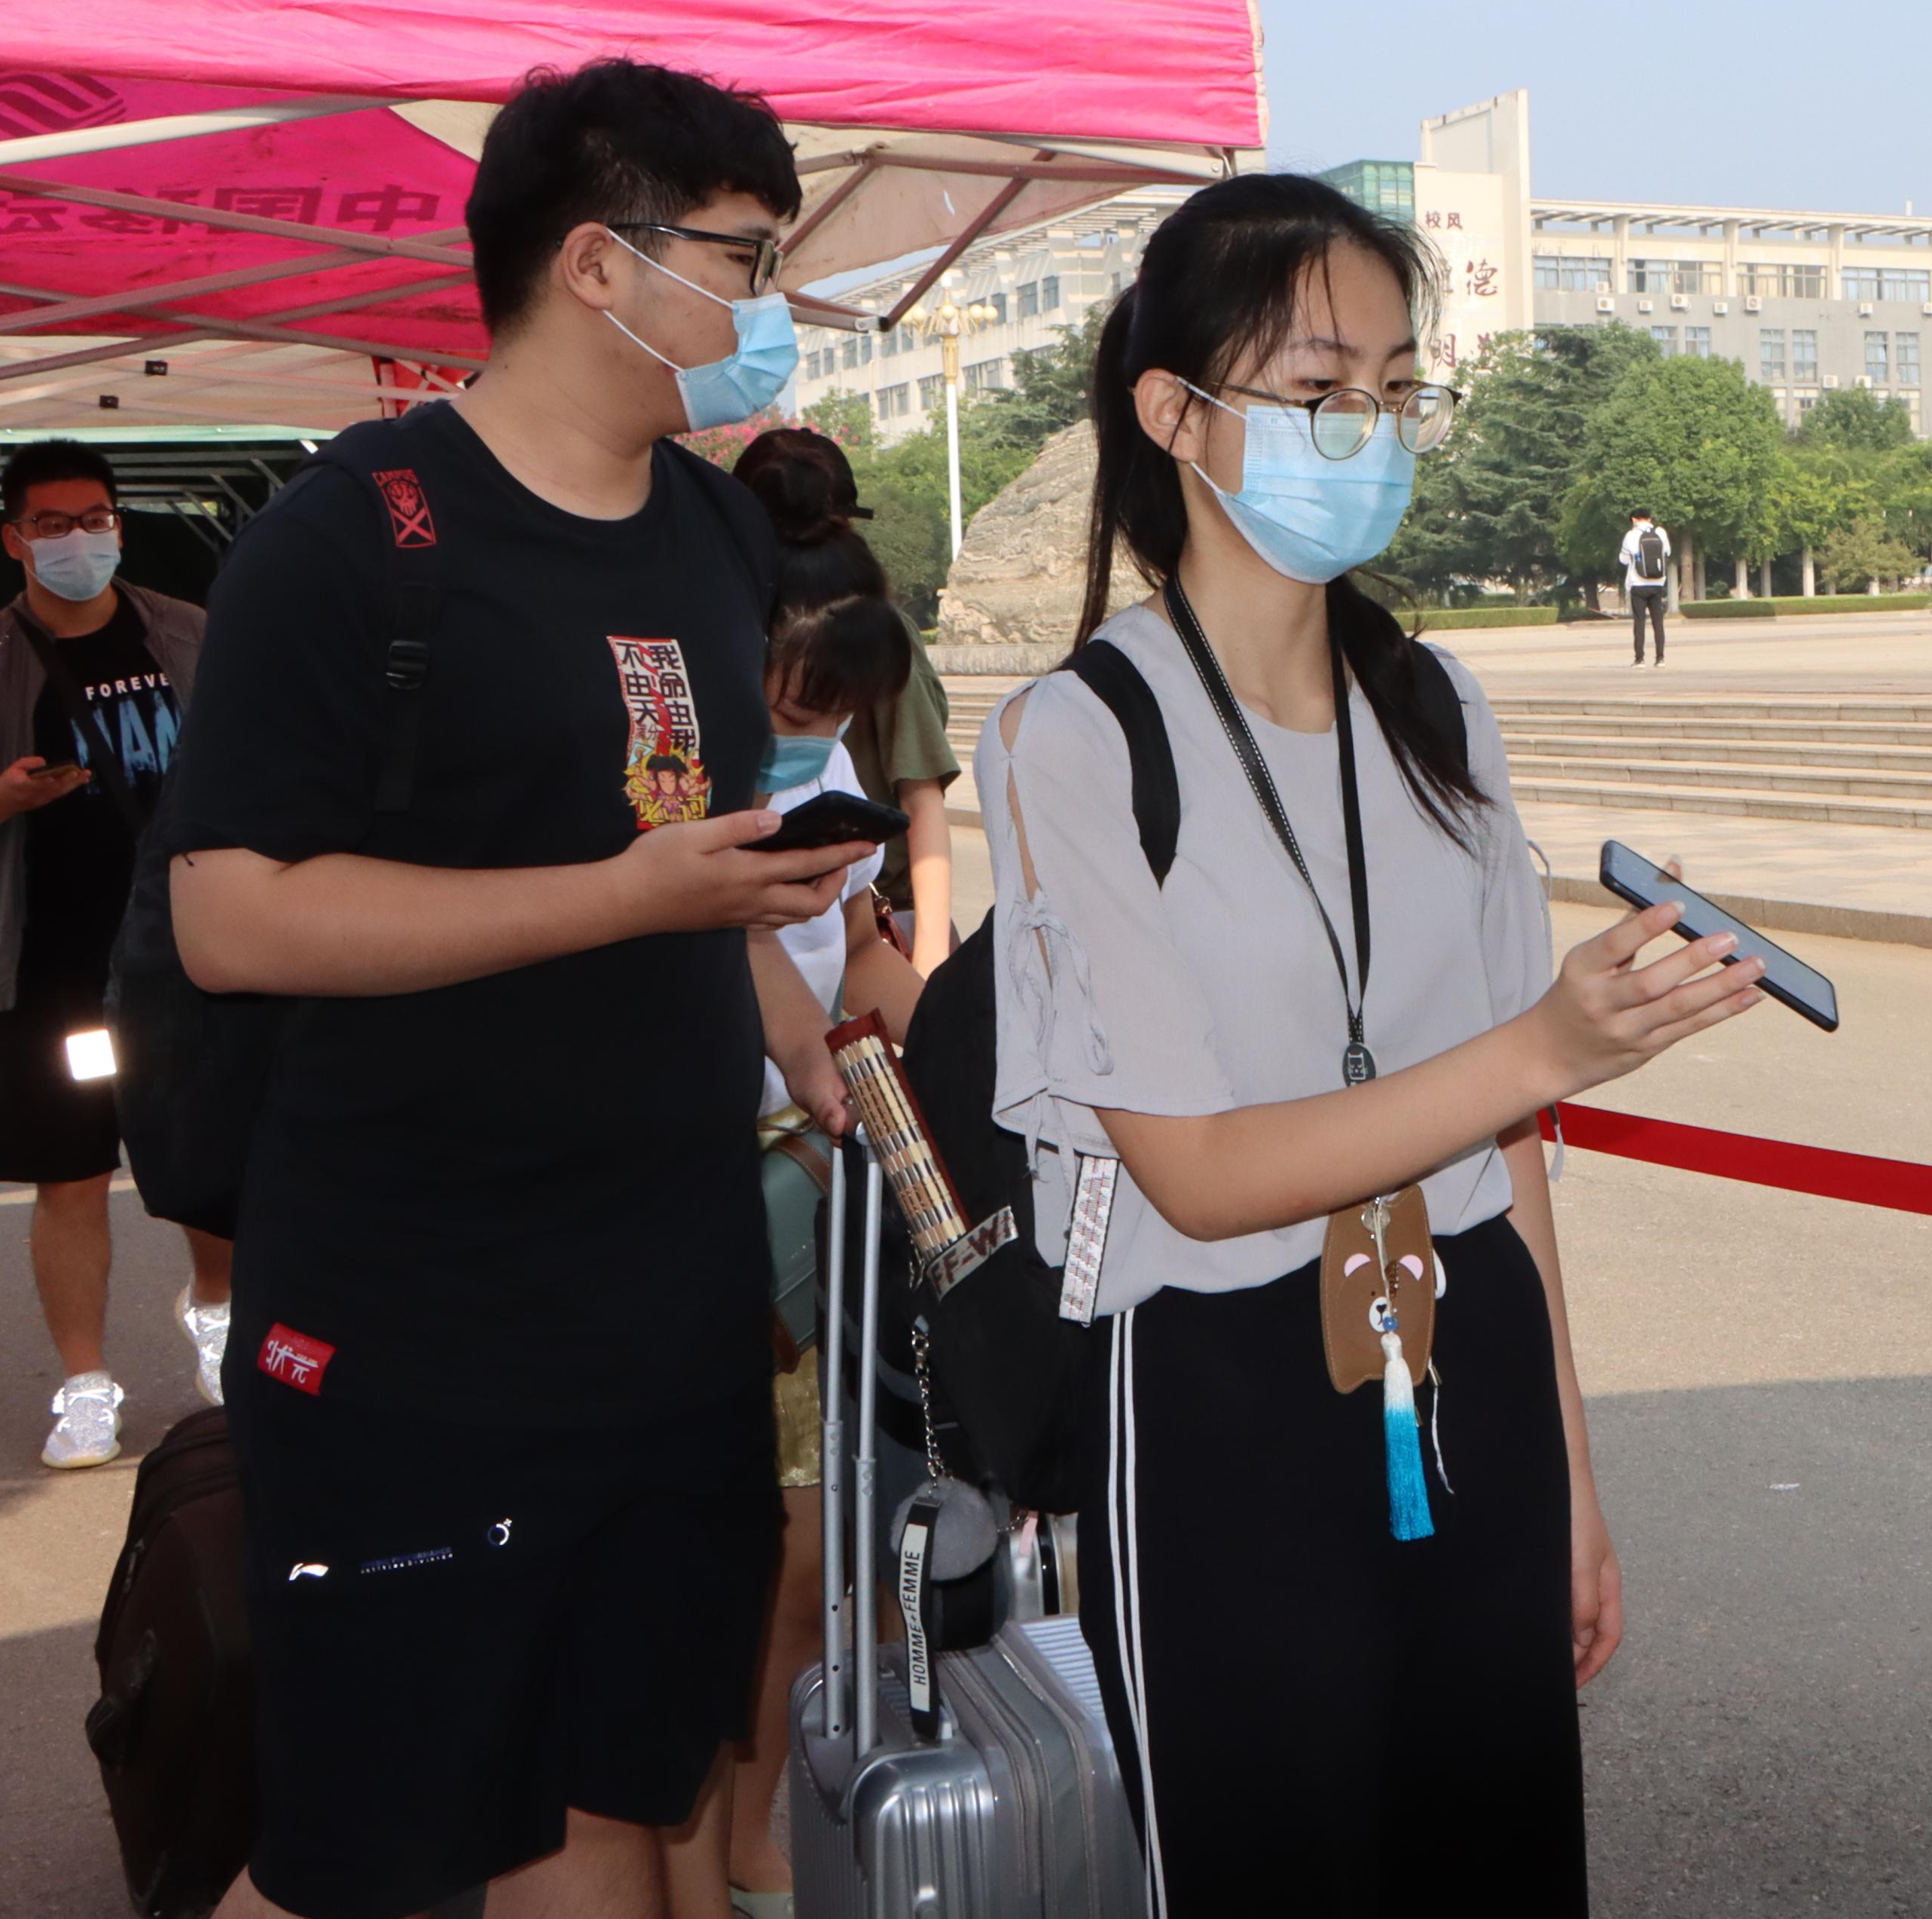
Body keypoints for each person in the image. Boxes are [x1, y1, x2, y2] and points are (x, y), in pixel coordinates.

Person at [978, 173, 1763, 1911]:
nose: (1372, 428)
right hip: (1219, 1389)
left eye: (1399, 387)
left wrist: (1568, 1471)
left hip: (1462, 1351)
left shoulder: (1434, 707)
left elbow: (1508, 1158)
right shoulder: (1076, 738)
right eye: (1320, 387)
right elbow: (1196, 1171)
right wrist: (1547, 1040)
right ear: (1172, 412)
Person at [164, 58, 868, 1919]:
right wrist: (619, 895)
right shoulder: (357, 528)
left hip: (669, 1299)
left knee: (605, 1793)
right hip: (417, 1312)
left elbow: (693, 863)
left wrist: (812, 1042)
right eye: (743, 255)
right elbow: (231, 913)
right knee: (367, 1844)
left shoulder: (714, 530)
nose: (769, 301)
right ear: (596, 263)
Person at [0, 441, 227, 1463]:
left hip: (192, 956)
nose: (79, 539)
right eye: (53, 524)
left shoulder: (189, 632)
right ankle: (85, 1384)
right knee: (69, 1173)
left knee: (208, 1153)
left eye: (96, 518)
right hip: (54, 969)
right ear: (13, 539)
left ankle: (219, 1317)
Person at [670, 564, 924, 1919]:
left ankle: (749, 1831)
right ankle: (707, 1843)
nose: (796, 724)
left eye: (823, 712)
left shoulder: (836, 801)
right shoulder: (677, 795)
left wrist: (949, 1044)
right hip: (711, 1191)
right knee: (753, 1555)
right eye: (782, 696)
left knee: (820, 1551)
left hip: (818, 1174)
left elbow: (862, 959)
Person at [735, 426, 963, 962]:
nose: (822, 736)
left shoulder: (865, 641)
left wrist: (930, 964)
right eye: (797, 715)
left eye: (842, 713)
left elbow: (856, 948)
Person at [1617, 505, 1674, 664]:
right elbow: (1667, 552)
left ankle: (1639, 659)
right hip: (1657, 582)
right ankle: (1660, 658)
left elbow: (1623, 560)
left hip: (1638, 583)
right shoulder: (1660, 532)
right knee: (1658, 622)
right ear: (1649, 519)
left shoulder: (1631, 535)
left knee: (1639, 622)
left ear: (1633, 519)